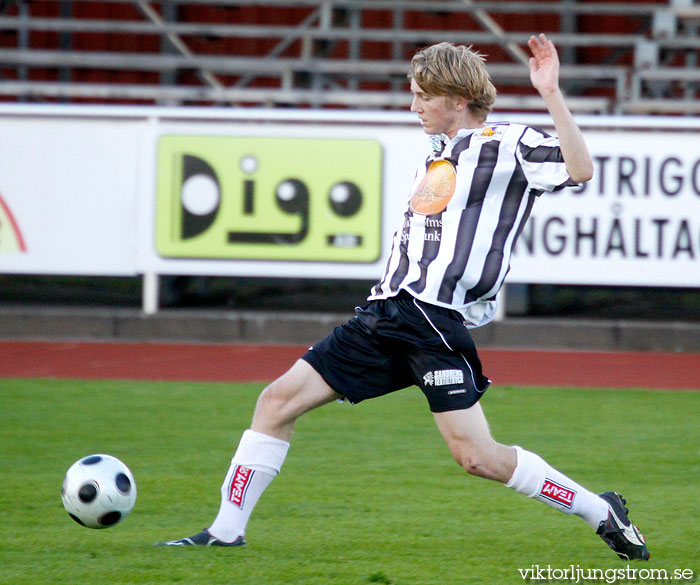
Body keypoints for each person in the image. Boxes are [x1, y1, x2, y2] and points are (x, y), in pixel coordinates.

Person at [159, 34, 650, 561]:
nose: (413, 106)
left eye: (422, 96)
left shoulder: (507, 143)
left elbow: (580, 170)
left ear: (457, 100)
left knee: (477, 457)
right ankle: (226, 530)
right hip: (386, 311)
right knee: (276, 401)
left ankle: (601, 512)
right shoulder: (435, 156)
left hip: (432, 321)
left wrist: (551, 94)